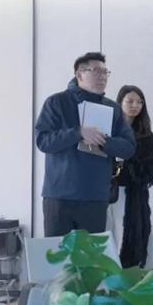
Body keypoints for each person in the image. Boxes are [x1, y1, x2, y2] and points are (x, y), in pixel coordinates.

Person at [36, 52, 135, 237]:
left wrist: (103, 141)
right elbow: (43, 141)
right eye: (96, 71)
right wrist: (78, 133)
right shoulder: (56, 102)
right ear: (79, 74)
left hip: (95, 197)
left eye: (105, 72)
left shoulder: (113, 108)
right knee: (58, 253)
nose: (103, 77)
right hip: (59, 196)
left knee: (91, 254)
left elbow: (129, 147)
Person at [114, 85, 153, 268]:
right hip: (110, 193)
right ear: (120, 102)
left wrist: (130, 163)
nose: (135, 105)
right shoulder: (111, 131)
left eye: (139, 102)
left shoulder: (147, 136)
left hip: (135, 194)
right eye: (130, 101)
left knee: (132, 236)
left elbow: (150, 171)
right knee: (111, 236)